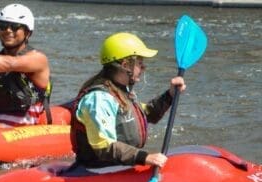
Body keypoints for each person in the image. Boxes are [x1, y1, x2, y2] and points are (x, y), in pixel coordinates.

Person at [71, 32, 186, 169]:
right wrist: (145, 157)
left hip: (118, 166)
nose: (143, 68)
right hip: (97, 171)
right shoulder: (99, 99)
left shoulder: (121, 91)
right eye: (139, 63)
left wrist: (170, 95)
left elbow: (147, 114)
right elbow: (104, 146)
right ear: (125, 65)